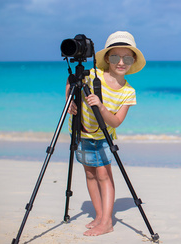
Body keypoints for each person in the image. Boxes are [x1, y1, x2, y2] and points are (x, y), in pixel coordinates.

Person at [66, 31, 146, 236]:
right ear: (107, 58)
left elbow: (116, 122)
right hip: (82, 133)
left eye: (127, 58)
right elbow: (71, 81)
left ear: (133, 60)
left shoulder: (128, 91)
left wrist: (101, 107)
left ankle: (107, 221)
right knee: (89, 173)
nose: (121, 62)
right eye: (115, 57)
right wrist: (70, 102)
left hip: (103, 137)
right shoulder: (94, 74)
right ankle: (100, 216)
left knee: (103, 175)